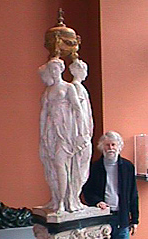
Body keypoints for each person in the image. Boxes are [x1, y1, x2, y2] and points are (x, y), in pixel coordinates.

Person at [39, 57, 89, 212]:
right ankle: (56, 199)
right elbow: (44, 112)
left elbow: (78, 109)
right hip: (52, 130)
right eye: (51, 69)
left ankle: (63, 201)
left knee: (61, 164)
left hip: (66, 131)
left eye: (56, 69)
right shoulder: (48, 90)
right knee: (53, 166)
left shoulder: (68, 88)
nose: (53, 72)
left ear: (61, 69)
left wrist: (81, 133)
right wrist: (42, 134)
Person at [82, 131, 139, 239]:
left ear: (119, 146)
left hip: (122, 219)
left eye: (113, 144)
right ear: (102, 147)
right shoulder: (94, 167)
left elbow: (133, 194)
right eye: (107, 145)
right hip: (101, 218)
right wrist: (97, 202)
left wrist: (135, 220)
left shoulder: (128, 167)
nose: (110, 148)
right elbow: (87, 191)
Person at [69, 59, 93, 195]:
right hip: (81, 135)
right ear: (77, 71)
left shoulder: (80, 88)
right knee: (79, 168)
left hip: (84, 134)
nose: (86, 74)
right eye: (84, 70)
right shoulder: (76, 88)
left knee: (82, 168)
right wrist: (83, 133)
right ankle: (73, 197)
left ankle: (74, 197)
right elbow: (79, 114)